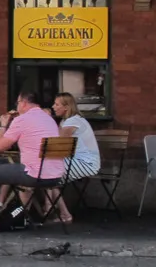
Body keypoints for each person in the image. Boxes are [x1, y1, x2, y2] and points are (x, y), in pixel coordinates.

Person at [0, 91, 64, 233]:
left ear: (24, 103)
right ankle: (21, 216)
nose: (17, 106)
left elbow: (0, 146)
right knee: (20, 177)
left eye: (18, 103)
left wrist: (3, 125)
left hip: (35, 175)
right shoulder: (49, 119)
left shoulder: (21, 120)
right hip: (56, 176)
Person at [48, 92, 102, 224]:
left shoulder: (74, 121)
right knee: (48, 174)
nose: (53, 107)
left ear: (66, 107)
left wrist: (47, 119)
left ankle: (51, 210)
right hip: (75, 160)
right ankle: (59, 212)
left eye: (57, 104)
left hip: (86, 163)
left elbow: (57, 143)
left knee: (47, 174)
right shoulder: (66, 121)